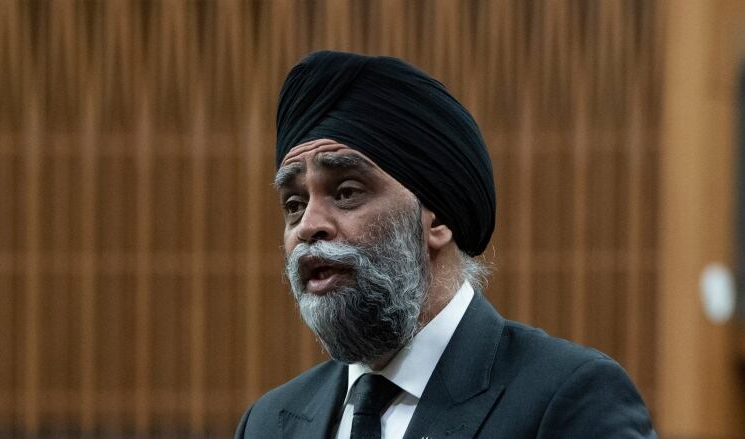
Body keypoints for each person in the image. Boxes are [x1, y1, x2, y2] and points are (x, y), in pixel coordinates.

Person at [235, 50, 656, 438]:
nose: (308, 226)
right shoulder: (268, 423)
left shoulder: (569, 401)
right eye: (294, 203)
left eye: (346, 192)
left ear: (436, 218)